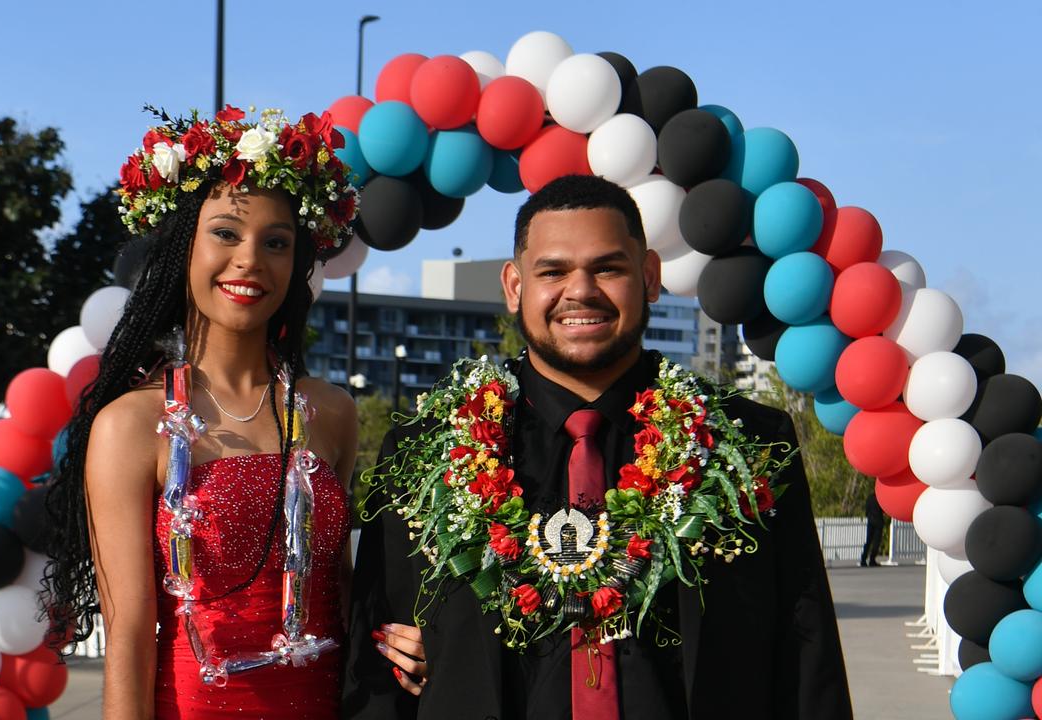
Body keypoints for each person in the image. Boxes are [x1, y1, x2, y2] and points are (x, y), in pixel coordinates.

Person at [344, 174, 852, 720]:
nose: (580, 291)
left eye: (607, 268)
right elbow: (378, 665)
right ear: (515, 286)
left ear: (650, 277)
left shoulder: (747, 442)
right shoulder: (428, 451)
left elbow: (806, 653)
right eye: (553, 271)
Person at [44, 106, 418, 719]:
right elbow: (131, 640)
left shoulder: (332, 412)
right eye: (225, 233)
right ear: (182, 247)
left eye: (276, 243)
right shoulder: (129, 426)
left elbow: (344, 594)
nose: (250, 260)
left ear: (297, 264)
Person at [861, 492, 885, 567]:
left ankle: (863, 560)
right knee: (876, 543)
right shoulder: (880, 498)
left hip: (871, 521)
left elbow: (867, 509)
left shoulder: (870, 498)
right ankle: (872, 560)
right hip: (878, 522)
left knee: (868, 541)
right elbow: (883, 509)